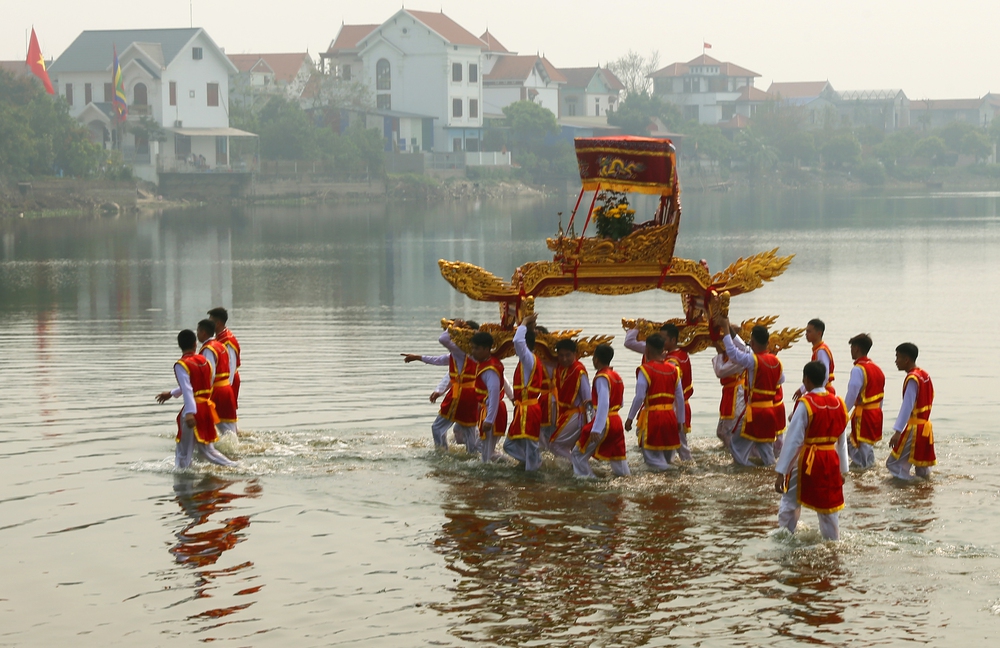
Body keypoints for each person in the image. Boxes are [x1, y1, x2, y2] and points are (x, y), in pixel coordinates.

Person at [774, 361, 849, 541]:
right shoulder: (839, 403)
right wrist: (843, 470)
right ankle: (833, 542)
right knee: (828, 506)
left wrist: (781, 472)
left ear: (806, 380)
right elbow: (842, 441)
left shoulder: (806, 403)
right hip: (831, 459)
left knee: (790, 501)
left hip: (808, 459)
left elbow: (793, 440)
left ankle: (785, 537)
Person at [156, 329, 236, 469]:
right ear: (195, 344)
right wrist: (172, 393)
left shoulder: (181, 364)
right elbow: (197, 385)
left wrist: (190, 412)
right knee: (208, 451)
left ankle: (183, 479)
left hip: (193, 409)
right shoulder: (205, 361)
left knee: (183, 452)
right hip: (206, 407)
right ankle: (237, 466)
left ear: (179, 345)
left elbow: (188, 389)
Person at [402, 320, 481, 453]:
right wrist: (417, 357)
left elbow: (443, 339)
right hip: (472, 396)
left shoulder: (460, 351)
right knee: (469, 431)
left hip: (459, 396)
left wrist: (454, 327)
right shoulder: (468, 354)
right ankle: (475, 455)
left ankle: (442, 452)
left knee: (437, 428)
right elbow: (439, 361)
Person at [722, 319, 785, 466]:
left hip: (755, 413)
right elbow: (781, 380)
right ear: (768, 342)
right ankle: (770, 472)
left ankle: (749, 469)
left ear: (753, 342)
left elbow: (732, 353)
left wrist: (725, 329)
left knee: (735, 445)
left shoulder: (753, 360)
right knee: (766, 450)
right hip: (770, 412)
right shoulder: (777, 361)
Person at [625, 334, 685, 471]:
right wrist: (680, 421)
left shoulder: (645, 369)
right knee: (668, 458)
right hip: (670, 417)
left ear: (647, 350)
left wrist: (630, 418)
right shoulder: (674, 369)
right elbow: (680, 398)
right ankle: (672, 475)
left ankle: (673, 472)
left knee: (652, 460)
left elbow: (639, 397)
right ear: (663, 349)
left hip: (653, 418)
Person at [572, 344, 630, 478]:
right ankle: (627, 479)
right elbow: (619, 402)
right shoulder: (616, 376)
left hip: (604, 421)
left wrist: (596, 428)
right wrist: (593, 401)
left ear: (596, 359)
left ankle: (590, 481)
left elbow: (604, 403)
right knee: (618, 458)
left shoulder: (601, 377)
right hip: (616, 421)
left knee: (577, 454)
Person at [886, 342, 935, 480]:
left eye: (898, 357)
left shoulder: (913, 378)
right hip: (926, 427)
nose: (896, 361)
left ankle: (914, 483)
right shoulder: (924, 375)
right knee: (922, 467)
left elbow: (907, 406)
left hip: (915, 428)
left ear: (906, 359)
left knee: (893, 464)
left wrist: (897, 432)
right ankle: (925, 486)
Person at [504, 314, 544, 471]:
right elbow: (519, 342)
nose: (515, 349)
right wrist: (529, 327)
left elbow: (517, 341)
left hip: (529, 410)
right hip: (523, 409)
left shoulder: (528, 359)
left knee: (530, 445)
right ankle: (532, 463)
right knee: (509, 445)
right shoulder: (526, 361)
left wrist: (524, 322)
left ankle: (533, 468)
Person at [842, 333, 885, 469]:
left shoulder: (858, 369)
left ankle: (864, 467)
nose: (851, 351)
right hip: (876, 412)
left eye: (852, 348)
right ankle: (865, 465)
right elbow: (881, 395)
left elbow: (852, 393)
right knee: (863, 444)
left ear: (856, 348)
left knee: (861, 445)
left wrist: (842, 412)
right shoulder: (877, 369)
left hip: (864, 414)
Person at [549, 338, 591, 462]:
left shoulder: (579, 370)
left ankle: (576, 464)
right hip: (566, 414)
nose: (564, 359)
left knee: (554, 445)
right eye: (561, 355)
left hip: (577, 415)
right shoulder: (559, 368)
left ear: (575, 354)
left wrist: (590, 424)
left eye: (568, 355)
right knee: (566, 447)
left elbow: (588, 399)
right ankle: (575, 465)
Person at [196, 319, 238, 436]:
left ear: (203, 332)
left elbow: (210, 373)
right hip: (227, 389)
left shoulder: (208, 349)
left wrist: (206, 394)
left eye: (198, 331)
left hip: (217, 391)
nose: (197, 335)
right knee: (229, 428)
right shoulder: (221, 345)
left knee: (224, 429)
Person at [470, 331, 508, 463]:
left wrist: (490, 420)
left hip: (492, 411)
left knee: (486, 454)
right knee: (481, 447)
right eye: (472, 348)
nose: (473, 352)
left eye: (476, 348)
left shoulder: (490, 369)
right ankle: (506, 462)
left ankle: (509, 464)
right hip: (489, 410)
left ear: (486, 349)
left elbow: (494, 395)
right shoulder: (487, 363)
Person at [662, 323, 694, 461]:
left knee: (680, 446)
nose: (661, 342)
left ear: (673, 340)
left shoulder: (672, 361)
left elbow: (671, 387)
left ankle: (688, 467)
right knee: (677, 444)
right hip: (684, 404)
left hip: (676, 406)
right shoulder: (683, 354)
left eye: (664, 339)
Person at [712, 346, 745, 452]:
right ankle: (728, 450)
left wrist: (720, 353)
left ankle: (734, 454)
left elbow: (720, 372)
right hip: (728, 393)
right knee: (720, 432)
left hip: (736, 394)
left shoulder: (739, 356)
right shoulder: (727, 356)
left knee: (727, 432)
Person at [208, 308, 242, 410]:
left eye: (210, 322)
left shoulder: (227, 340)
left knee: (226, 412)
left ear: (218, 323)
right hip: (221, 382)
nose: (208, 325)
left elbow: (231, 365)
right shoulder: (219, 337)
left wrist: (228, 387)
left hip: (228, 381)